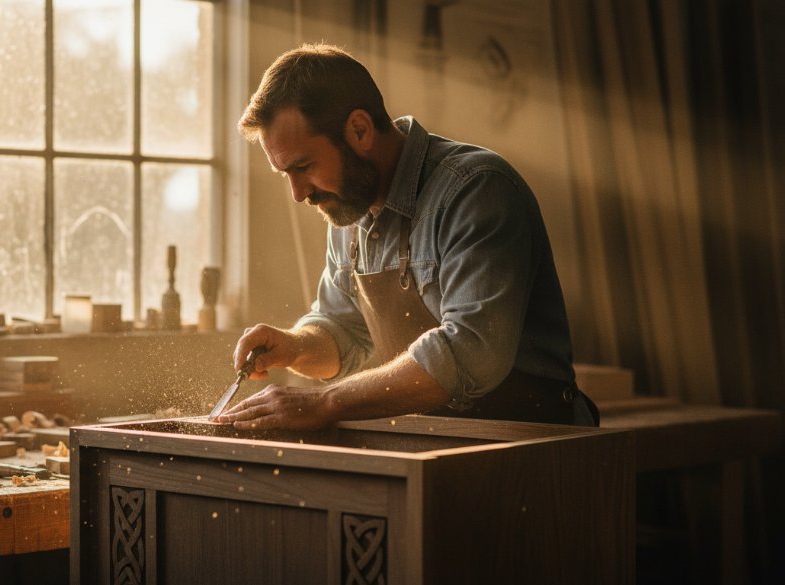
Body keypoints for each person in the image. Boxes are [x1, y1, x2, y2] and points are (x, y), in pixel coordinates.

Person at [214, 43, 598, 431]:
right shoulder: (347, 210)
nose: (298, 193)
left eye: (304, 166)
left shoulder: (476, 190)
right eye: (286, 174)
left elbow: (471, 352)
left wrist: (325, 402)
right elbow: (345, 333)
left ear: (360, 130)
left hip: (533, 445)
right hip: (435, 440)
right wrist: (295, 346)